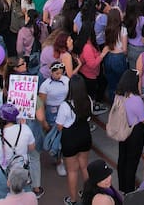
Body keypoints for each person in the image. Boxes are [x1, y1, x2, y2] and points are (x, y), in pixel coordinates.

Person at [0, 104, 36, 201]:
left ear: (0, 119)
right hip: (22, 171)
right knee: (24, 199)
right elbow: (32, 148)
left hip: (0, 174)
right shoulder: (25, 129)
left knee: (1, 200)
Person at [57, 75, 94, 205]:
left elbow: (59, 125)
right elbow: (89, 118)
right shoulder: (88, 100)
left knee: (72, 170)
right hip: (85, 135)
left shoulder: (65, 105)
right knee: (84, 166)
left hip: (70, 139)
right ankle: (88, 194)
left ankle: (72, 200)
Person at [113, 70, 144, 193]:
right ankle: (129, 189)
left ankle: (122, 185)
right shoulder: (136, 100)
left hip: (123, 128)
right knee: (132, 162)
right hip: (135, 132)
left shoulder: (119, 95)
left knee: (122, 157)